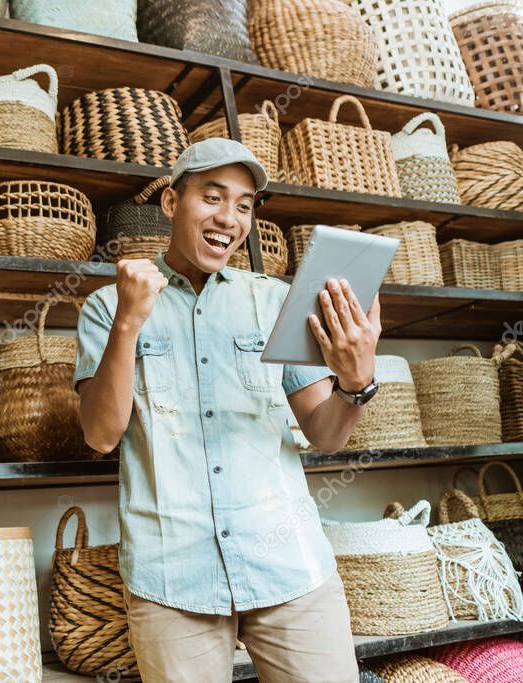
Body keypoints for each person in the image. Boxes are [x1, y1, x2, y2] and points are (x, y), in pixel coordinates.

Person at [73, 138, 381, 683]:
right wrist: (128, 323)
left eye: (244, 205)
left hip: (289, 567)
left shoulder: (275, 300)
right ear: (171, 204)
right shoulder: (106, 306)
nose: (229, 219)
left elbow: (324, 432)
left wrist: (356, 382)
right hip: (172, 576)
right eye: (212, 198)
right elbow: (100, 435)